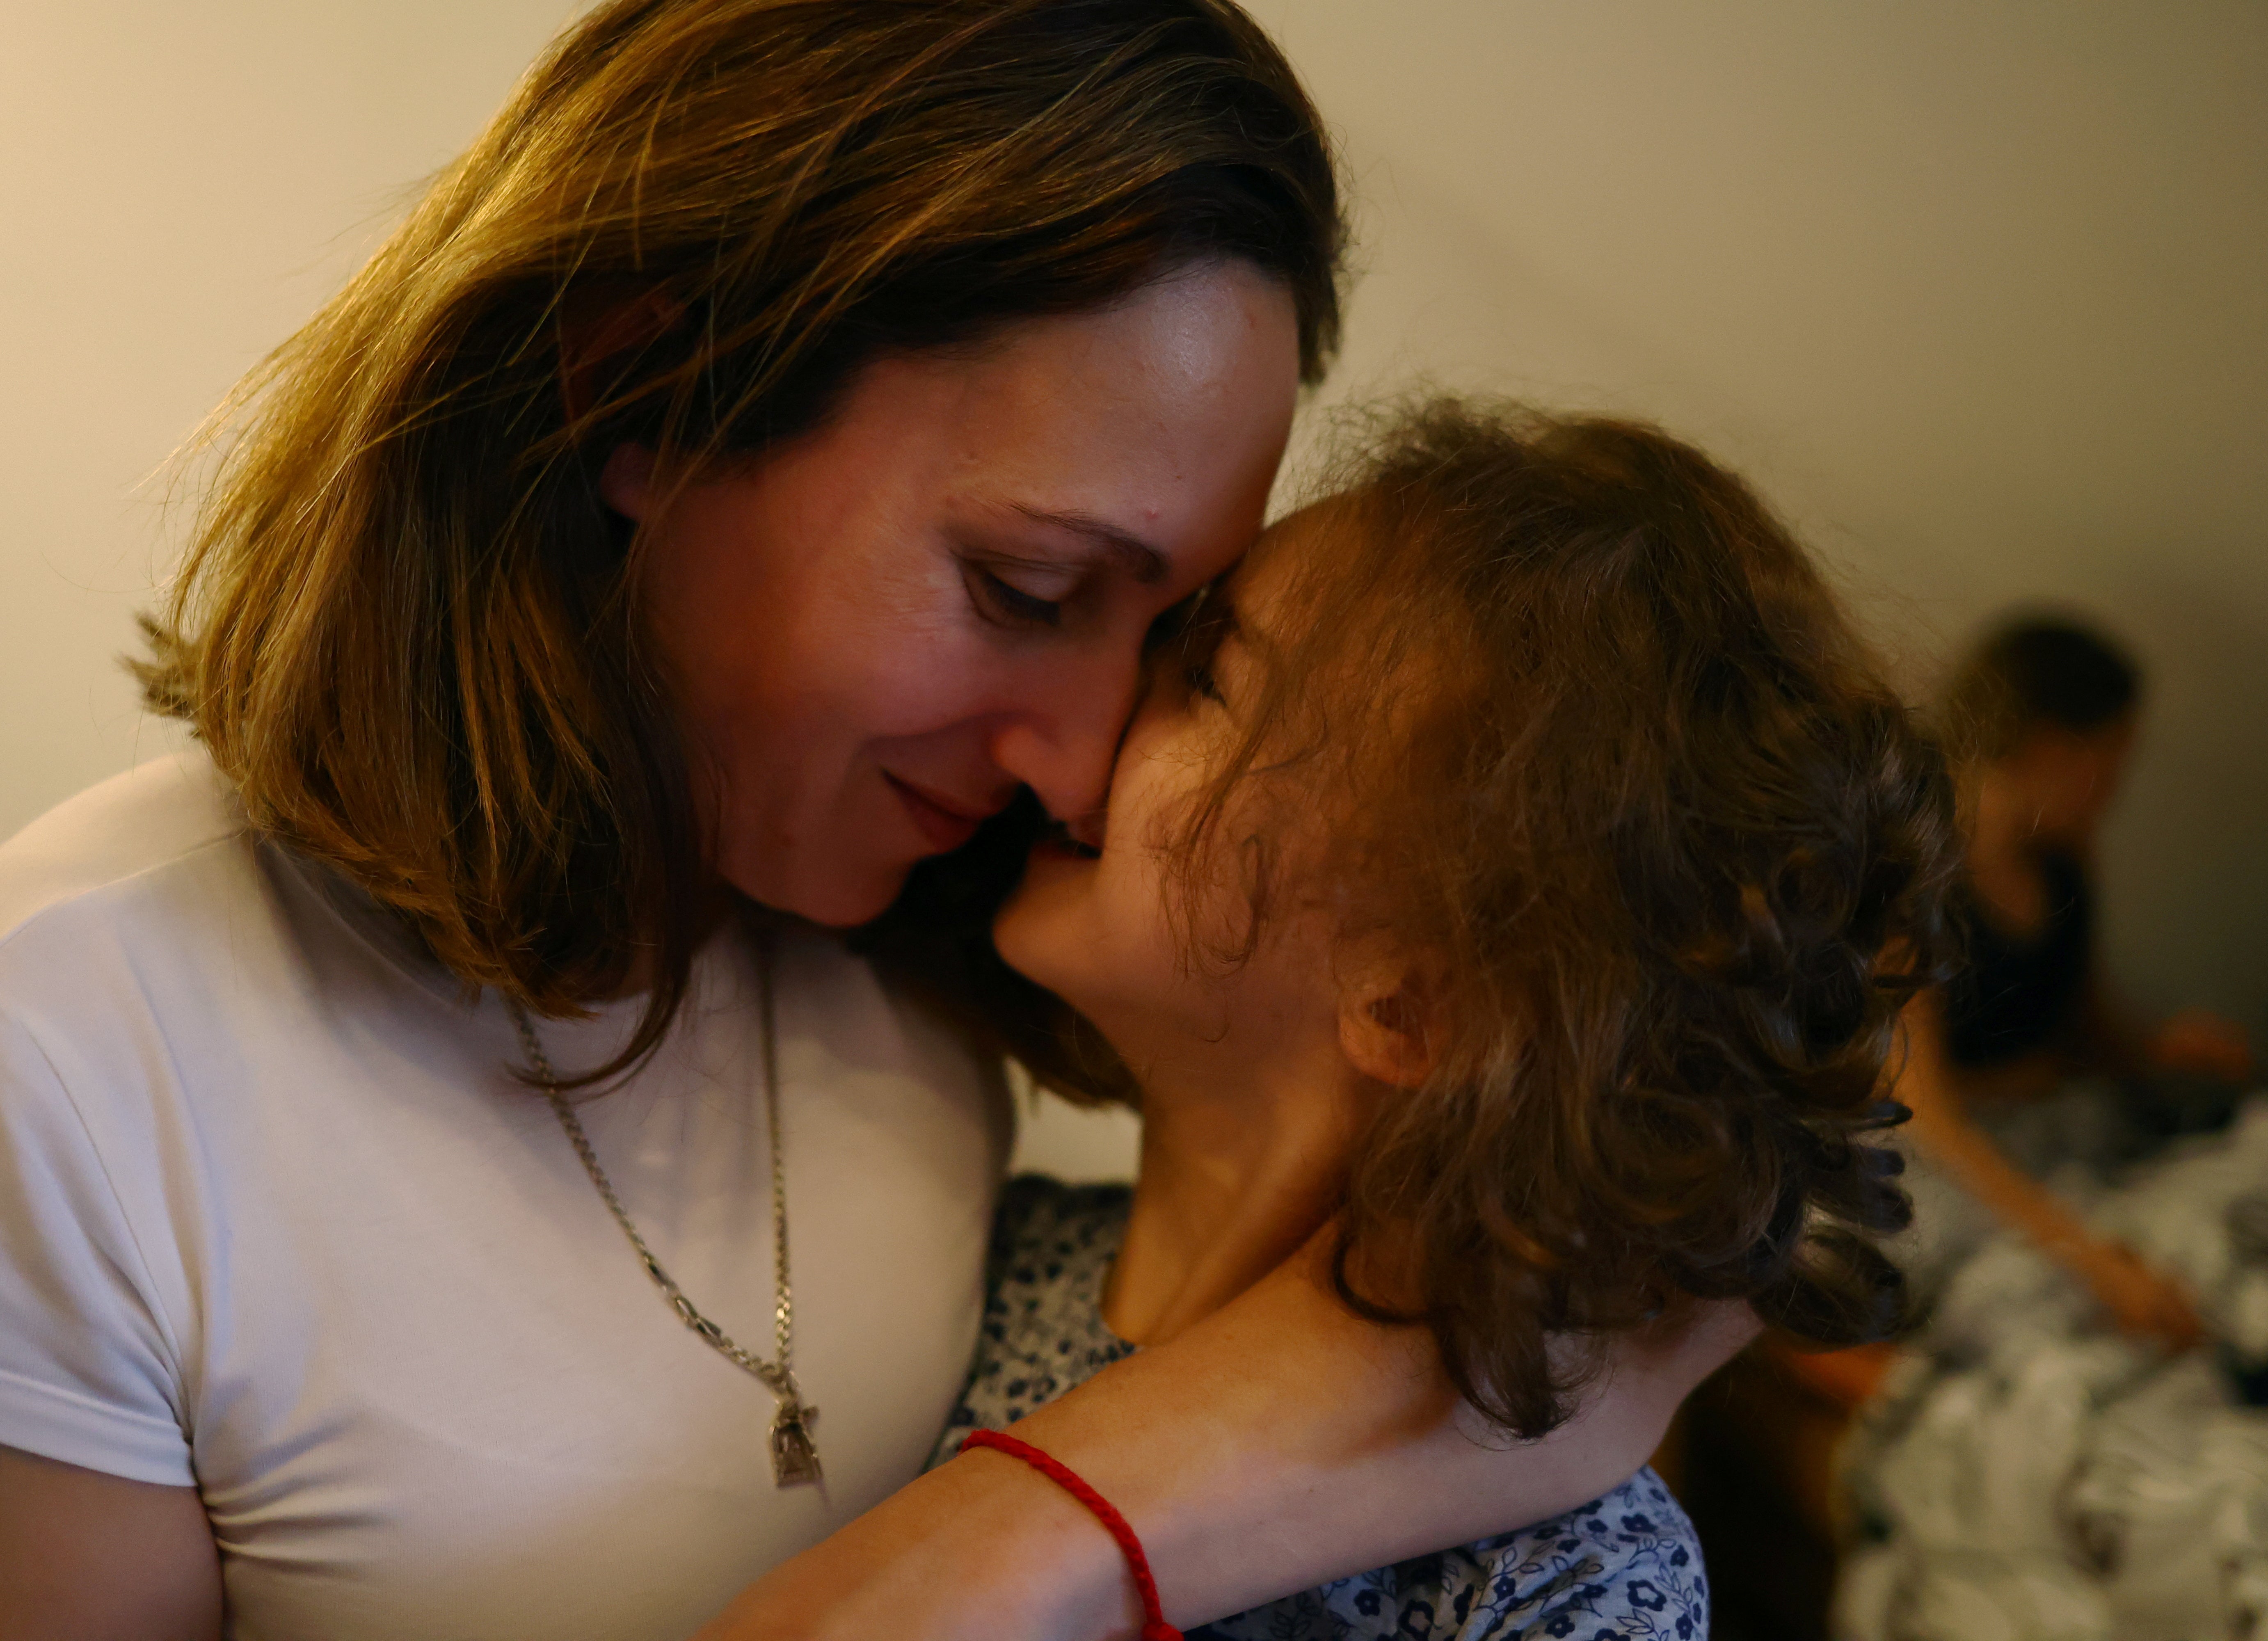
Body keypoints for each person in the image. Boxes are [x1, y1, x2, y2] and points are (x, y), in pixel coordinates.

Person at [0, 5, 1750, 1639]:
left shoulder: (928, 967)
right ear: (639, 397)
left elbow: (1702, 1200)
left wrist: (1108, 1496)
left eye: (1173, 641)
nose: (1082, 765)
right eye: (1027, 582)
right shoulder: (82, 1048)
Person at [787, 405, 1959, 1638]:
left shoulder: (1568, 1585)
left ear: (1409, 1000)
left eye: (1209, 680)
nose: (1100, 717)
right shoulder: (970, 1251)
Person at [1893, 615, 2254, 1349]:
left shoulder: (2067, 857)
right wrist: (2089, 1262)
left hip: (2043, 1117)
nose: (2120, 782)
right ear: (2051, 748)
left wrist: (2168, 1047)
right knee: (2008, 1274)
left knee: (2211, 1160)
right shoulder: (1914, 880)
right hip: (1937, 1155)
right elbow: (1928, 1115)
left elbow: (2086, 1028)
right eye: (2113, 756)